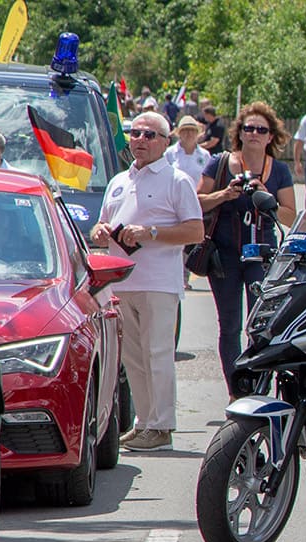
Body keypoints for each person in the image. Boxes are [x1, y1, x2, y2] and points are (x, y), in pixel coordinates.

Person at [89, 113, 206, 452]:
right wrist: (100, 232)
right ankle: (145, 421)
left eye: (149, 134)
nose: (140, 139)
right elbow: (100, 224)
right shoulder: (119, 180)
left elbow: (195, 231)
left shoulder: (177, 180)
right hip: (121, 281)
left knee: (158, 354)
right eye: (136, 133)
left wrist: (150, 232)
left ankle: (162, 425)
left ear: (165, 142)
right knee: (133, 358)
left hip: (159, 282)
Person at [198, 102, 298, 394]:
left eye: (261, 130)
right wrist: (224, 194)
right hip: (224, 256)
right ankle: (236, 391)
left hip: (262, 256)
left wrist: (268, 199)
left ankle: (258, 389)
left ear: (271, 137)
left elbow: (291, 216)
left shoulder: (279, 170)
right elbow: (196, 202)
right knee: (229, 326)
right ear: (239, 133)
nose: (254, 134)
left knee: (261, 326)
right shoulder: (219, 163)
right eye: (248, 128)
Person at [165, 116, 211, 183]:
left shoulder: (205, 155)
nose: (189, 133)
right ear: (179, 133)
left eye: (192, 130)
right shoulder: (169, 153)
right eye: (185, 130)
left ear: (197, 133)